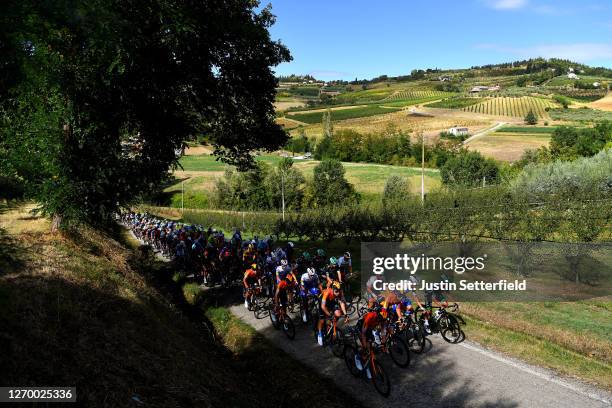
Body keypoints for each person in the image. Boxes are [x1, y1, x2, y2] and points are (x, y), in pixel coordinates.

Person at [355, 298, 384, 378]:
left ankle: (370, 362)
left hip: (368, 328)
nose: (380, 319)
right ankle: (358, 357)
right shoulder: (371, 316)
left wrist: (383, 339)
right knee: (364, 348)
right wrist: (364, 344)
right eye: (379, 317)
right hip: (361, 328)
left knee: (370, 348)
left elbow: (382, 328)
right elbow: (364, 333)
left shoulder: (381, 316)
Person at [317, 281, 348, 346]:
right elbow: (323, 307)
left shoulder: (339, 292)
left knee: (338, 314)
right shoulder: (327, 293)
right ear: (333, 289)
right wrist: (330, 315)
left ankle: (332, 326)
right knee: (322, 320)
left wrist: (346, 315)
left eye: (339, 291)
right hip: (322, 302)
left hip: (331, 302)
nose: (338, 293)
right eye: (336, 291)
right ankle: (319, 333)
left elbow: (342, 303)